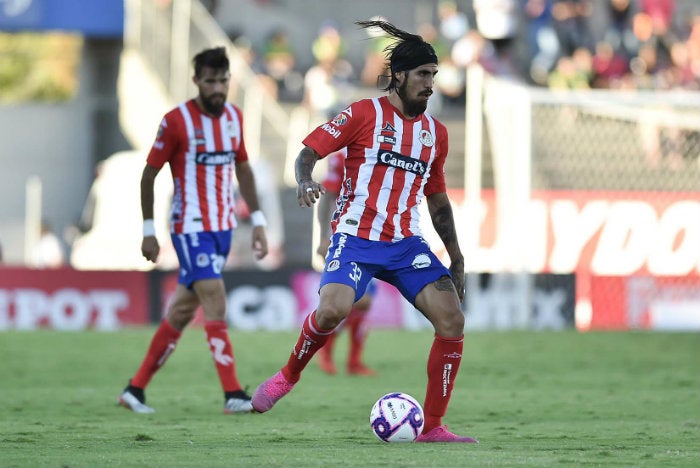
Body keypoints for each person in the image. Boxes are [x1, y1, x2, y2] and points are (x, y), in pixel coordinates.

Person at [252, 19, 477, 443]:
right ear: (399, 76)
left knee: (451, 319)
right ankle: (287, 376)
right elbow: (308, 153)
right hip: (356, 238)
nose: (430, 84)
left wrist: (456, 255)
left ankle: (432, 426)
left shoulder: (435, 134)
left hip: (406, 243)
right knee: (332, 310)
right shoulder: (362, 113)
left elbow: (438, 200)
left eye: (434, 75)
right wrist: (304, 181)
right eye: (423, 75)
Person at [118, 47, 269, 415]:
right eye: (211, 81)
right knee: (215, 298)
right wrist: (149, 229)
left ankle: (134, 390)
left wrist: (259, 221)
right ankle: (233, 393)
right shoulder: (176, 121)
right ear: (196, 81)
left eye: (223, 81)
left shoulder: (234, 117)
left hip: (223, 228)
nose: (218, 88)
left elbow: (244, 169)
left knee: (182, 311)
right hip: (189, 227)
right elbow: (149, 174)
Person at [315, 148, 376, 377]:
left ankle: (352, 361)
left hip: (377, 238)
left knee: (364, 303)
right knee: (351, 301)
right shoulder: (341, 156)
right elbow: (327, 196)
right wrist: (323, 237)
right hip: (346, 237)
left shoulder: (384, 148)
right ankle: (328, 354)